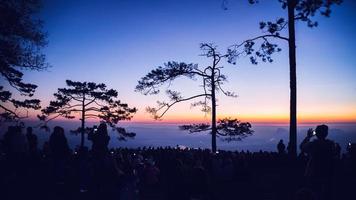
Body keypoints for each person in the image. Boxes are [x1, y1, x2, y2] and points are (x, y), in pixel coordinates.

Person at [300, 124, 335, 200]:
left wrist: (308, 137)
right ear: (326, 133)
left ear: (317, 134)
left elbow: (302, 147)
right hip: (327, 172)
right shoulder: (331, 145)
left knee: (313, 193)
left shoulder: (314, 145)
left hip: (313, 172)